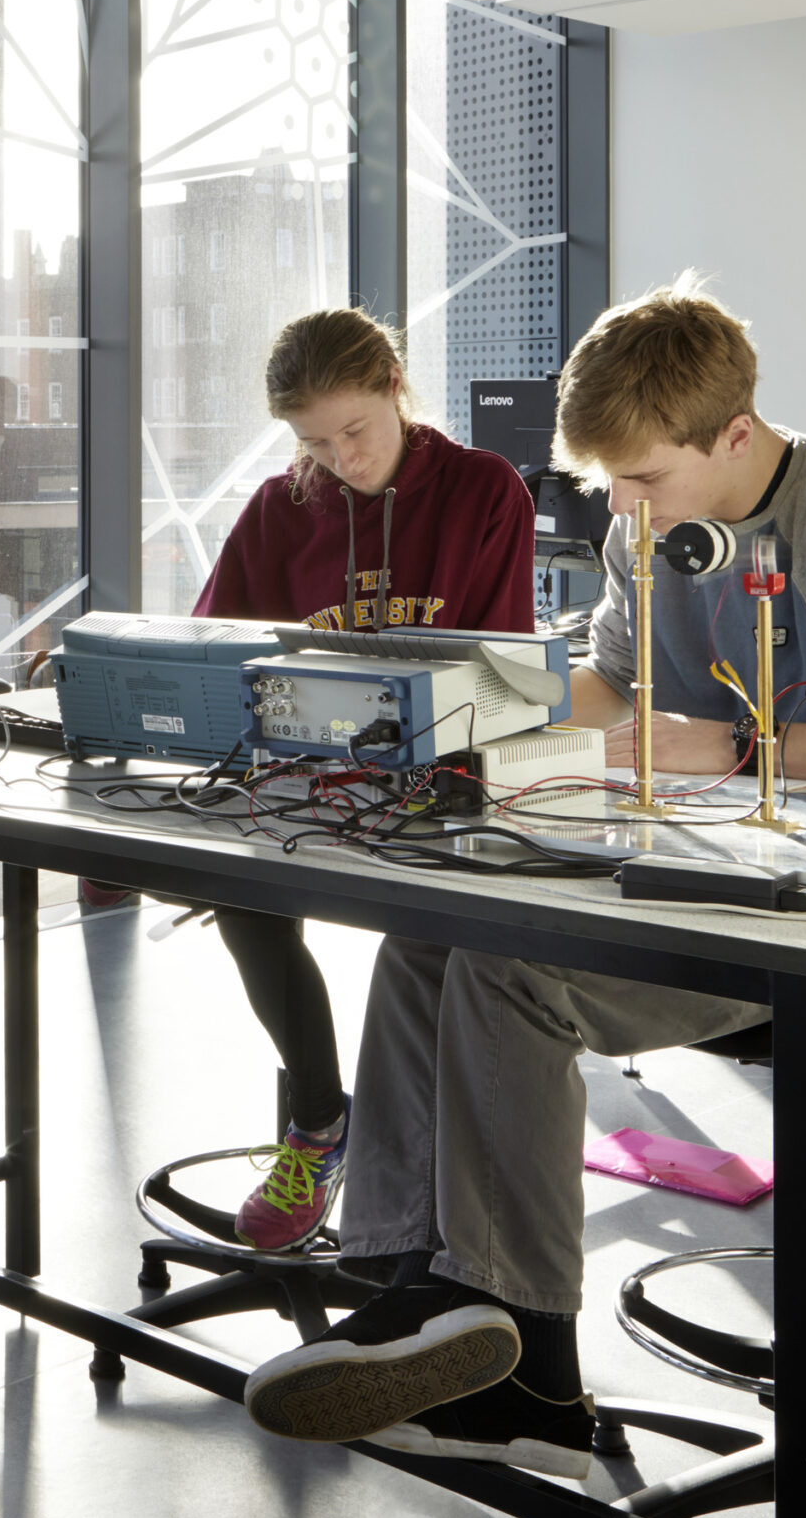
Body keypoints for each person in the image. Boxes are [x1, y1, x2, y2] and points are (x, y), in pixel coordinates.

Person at [242, 279, 806, 1476]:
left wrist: (742, 746)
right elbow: (604, 682)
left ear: (738, 440)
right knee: (426, 939)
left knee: (509, 970)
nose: (624, 508)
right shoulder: (637, 523)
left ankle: (534, 1371)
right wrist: (482, 700)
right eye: (607, 485)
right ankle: (410, 1279)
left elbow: (711, 734)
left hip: (791, 915)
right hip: (689, 861)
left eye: (644, 481)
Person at [86, 307, 536, 1252]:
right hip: (302, 776)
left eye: (354, 431)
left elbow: (504, 672)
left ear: (394, 386)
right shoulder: (277, 508)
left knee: (430, 946)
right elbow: (214, 655)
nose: (340, 458)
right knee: (238, 882)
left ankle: (418, 1194)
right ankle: (320, 1119)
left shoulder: (484, 490)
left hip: (439, 780)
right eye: (313, 441)